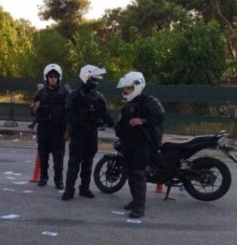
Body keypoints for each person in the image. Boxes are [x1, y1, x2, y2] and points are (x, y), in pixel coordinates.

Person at [114, 71, 165, 218]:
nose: (126, 91)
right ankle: (135, 201)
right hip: (128, 143)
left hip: (143, 144)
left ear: (137, 86)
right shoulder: (128, 104)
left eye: (128, 88)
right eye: (125, 88)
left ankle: (140, 207)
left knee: (138, 173)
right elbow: (122, 124)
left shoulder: (150, 101)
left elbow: (160, 116)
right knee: (130, 173)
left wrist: (142, 121)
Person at [62, 65, 114, 201]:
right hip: (78, 133)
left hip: (91, 133)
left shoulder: (98, 96)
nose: (96, 81)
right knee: (74, 163)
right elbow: (68, 113)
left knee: (88, 162)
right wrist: (78, 123)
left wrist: (110, 121)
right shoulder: (75, 95)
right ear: (86, 77)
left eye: (97, 79)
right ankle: (69, 190)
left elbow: (104, 113)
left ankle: (84, 188)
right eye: (93, 78)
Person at [31, 63, 70, 189]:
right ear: (46, 77)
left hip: (59, 130)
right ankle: (43, 177)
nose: (53, 78)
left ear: (59, 77)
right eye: (50, 76)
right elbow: (33, 111)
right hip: (44, 129)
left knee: (58, 158)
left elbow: (70, 112)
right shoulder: (40, 93)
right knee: (43, 156)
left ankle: (59, 180)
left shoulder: (65, 93)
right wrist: (34, 108)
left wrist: (68, 130)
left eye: (55, 76)